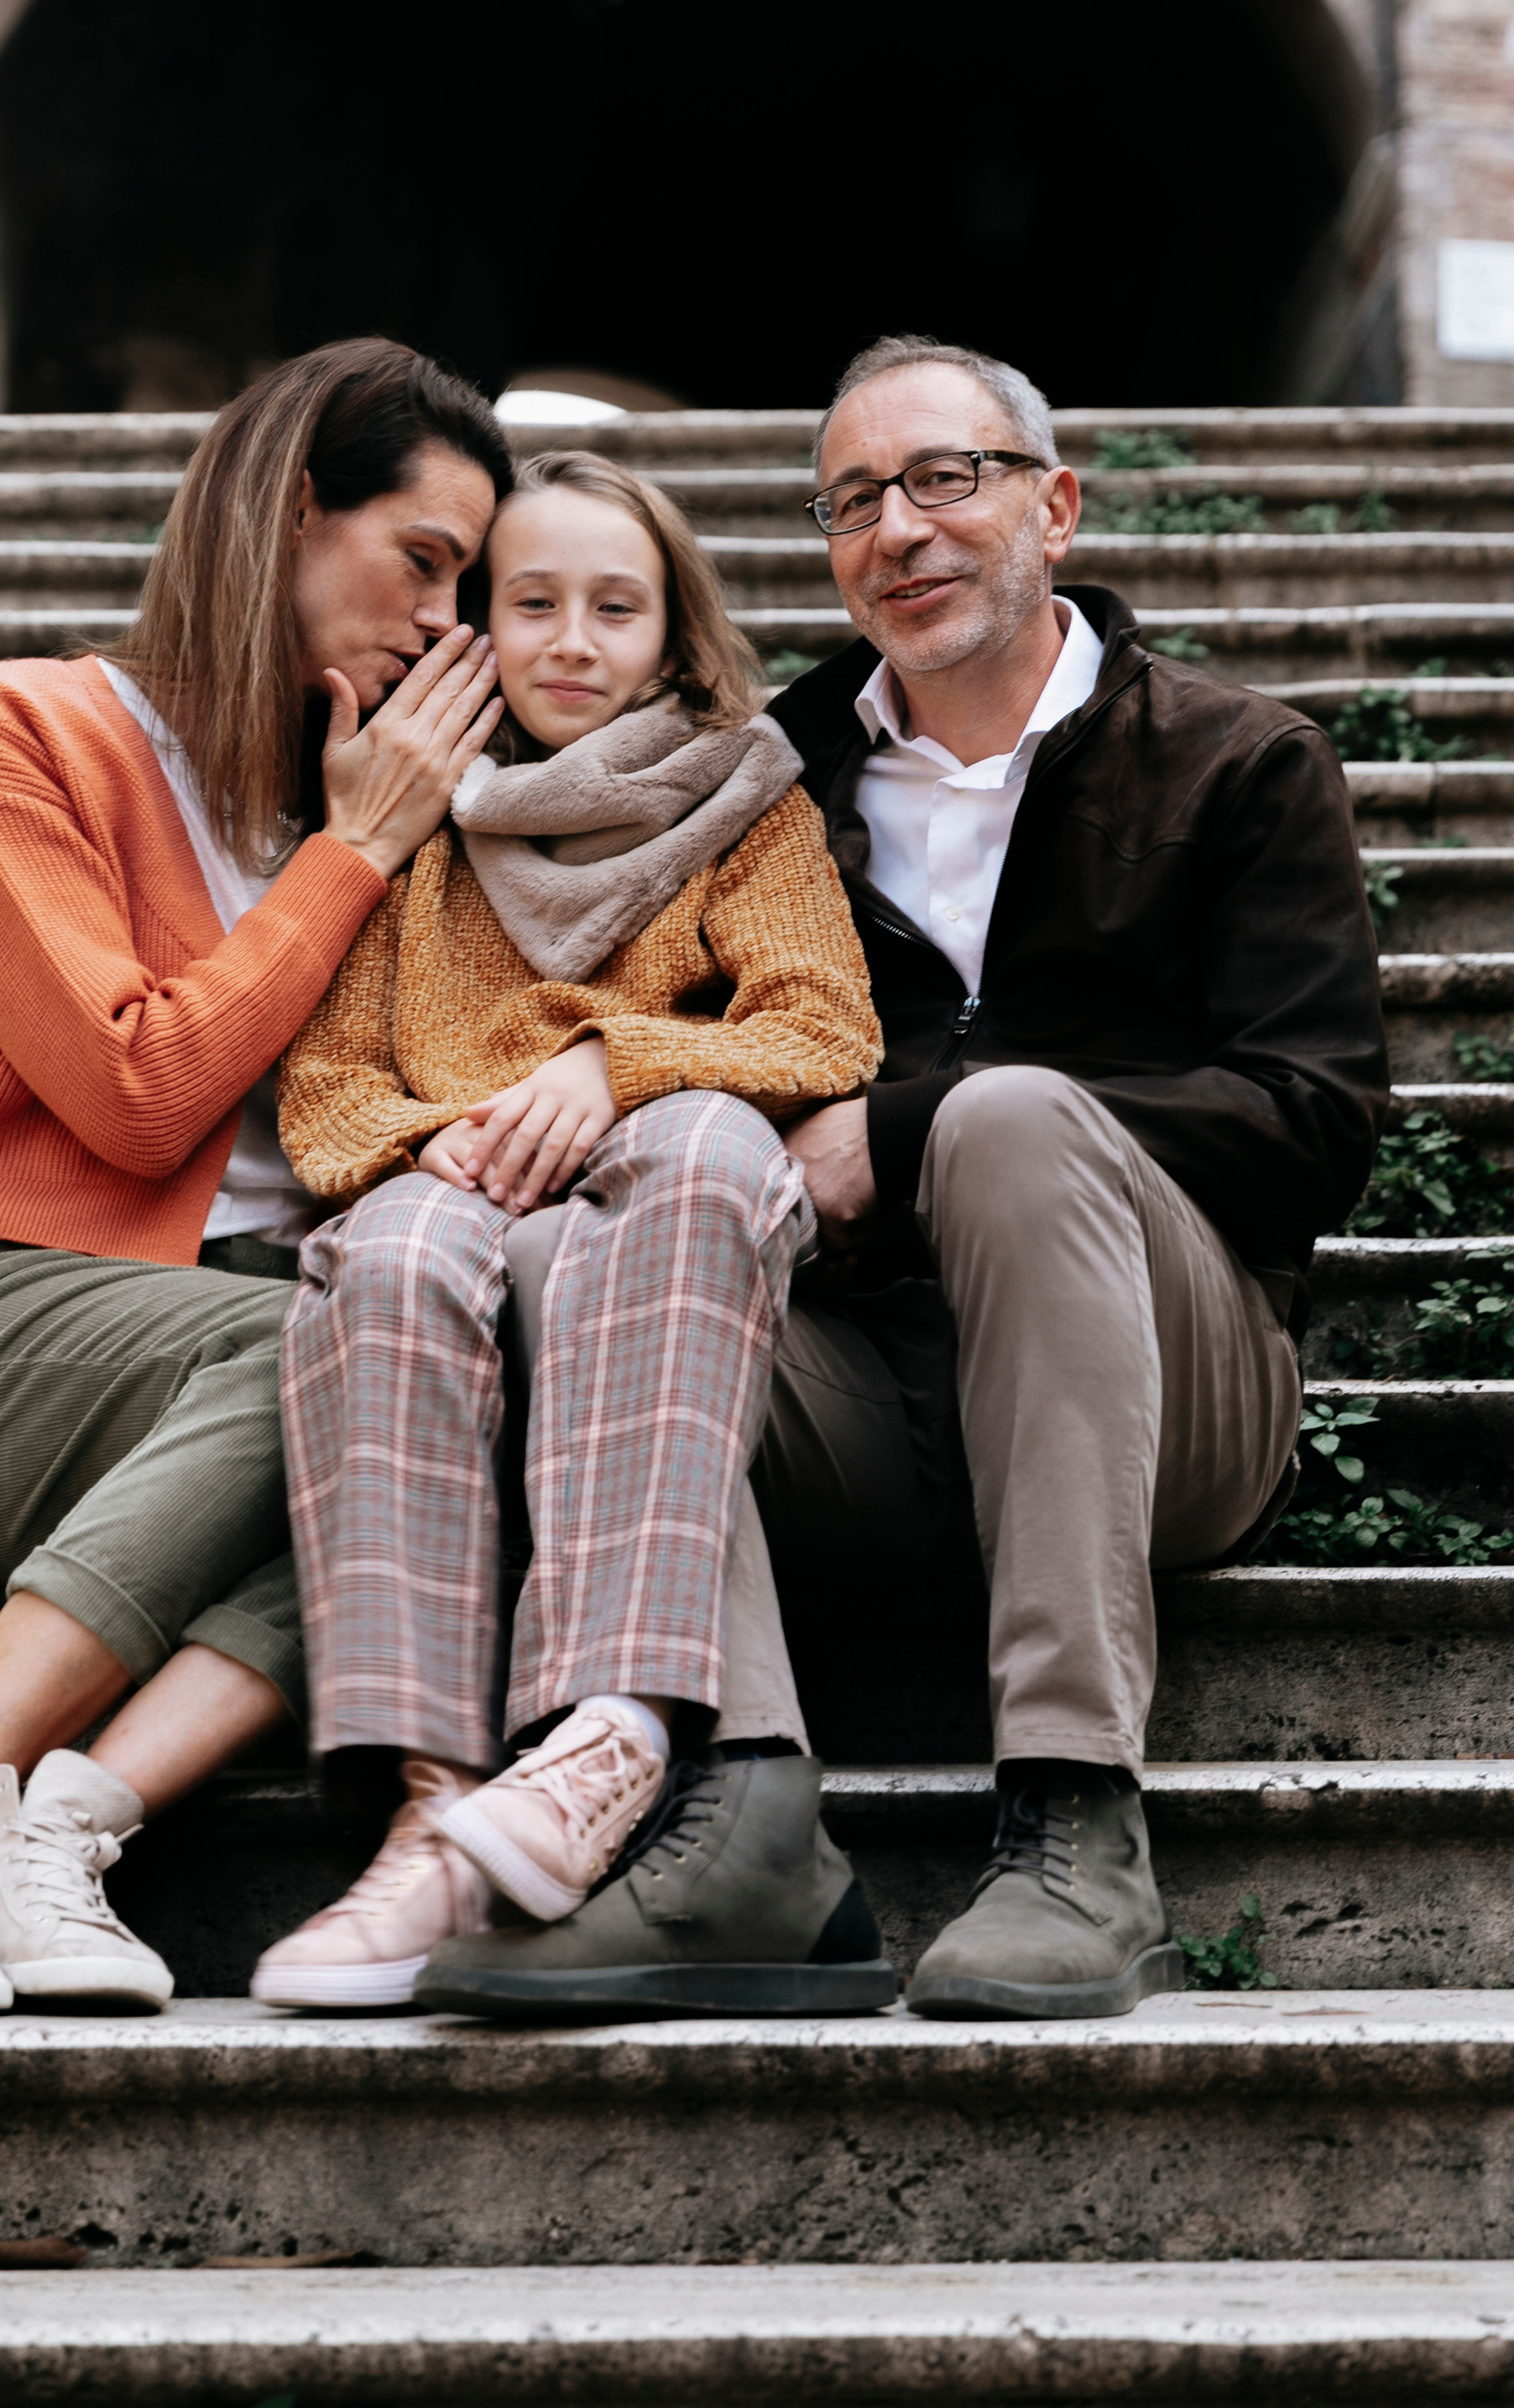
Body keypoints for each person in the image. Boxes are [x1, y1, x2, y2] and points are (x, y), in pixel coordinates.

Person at [0, 339, 514, 2016]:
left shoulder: (381, 792)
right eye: (421, 561)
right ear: (292, 508)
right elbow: (137, 1095)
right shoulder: (16, 729)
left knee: (459, 1402)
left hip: (258, 1329)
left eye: (467, 588)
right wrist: (351, 855)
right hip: (2, 1325)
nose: (440, 623)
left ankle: (50, 1838)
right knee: (337, 1347)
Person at [748, 331, 1390, 2018]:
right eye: (852, 501)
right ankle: (724, 1814)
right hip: (879, 1403)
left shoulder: (1236, 762)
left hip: (1173, 1398)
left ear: (1054, 504)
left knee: (1009, 1121)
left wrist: (913, 1127)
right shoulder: (769, 781)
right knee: (607, 1243)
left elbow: (1312, 1122)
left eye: (943, 478)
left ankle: (1075, 1826)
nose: (897, 529)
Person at [251, 451, 893, 2017]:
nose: (572, 641)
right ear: (478, 626)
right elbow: (328, 1098)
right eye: (532, 603)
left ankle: (611, 1734)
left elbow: (822, 1026)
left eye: (616, 607)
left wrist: (613, 1067)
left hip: (658, 1155)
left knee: (705, 1141)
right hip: (459, 1174)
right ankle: (431, 1816)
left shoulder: (745, 796)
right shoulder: (418, 833)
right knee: (387, 1254)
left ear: (672, 635)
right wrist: (447, 1141)